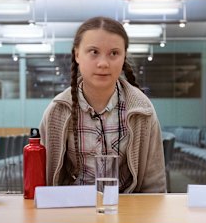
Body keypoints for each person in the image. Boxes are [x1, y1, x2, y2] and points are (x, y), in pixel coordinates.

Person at [39, 16, 166, 193]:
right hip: (72, 211)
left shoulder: (142, 111)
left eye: (114, 53)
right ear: (77, 54)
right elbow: (44, 183)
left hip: (127, 212)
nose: (103, 63)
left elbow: (155, 185)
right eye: (93, 52)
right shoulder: (57, 111)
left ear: (124, 57)